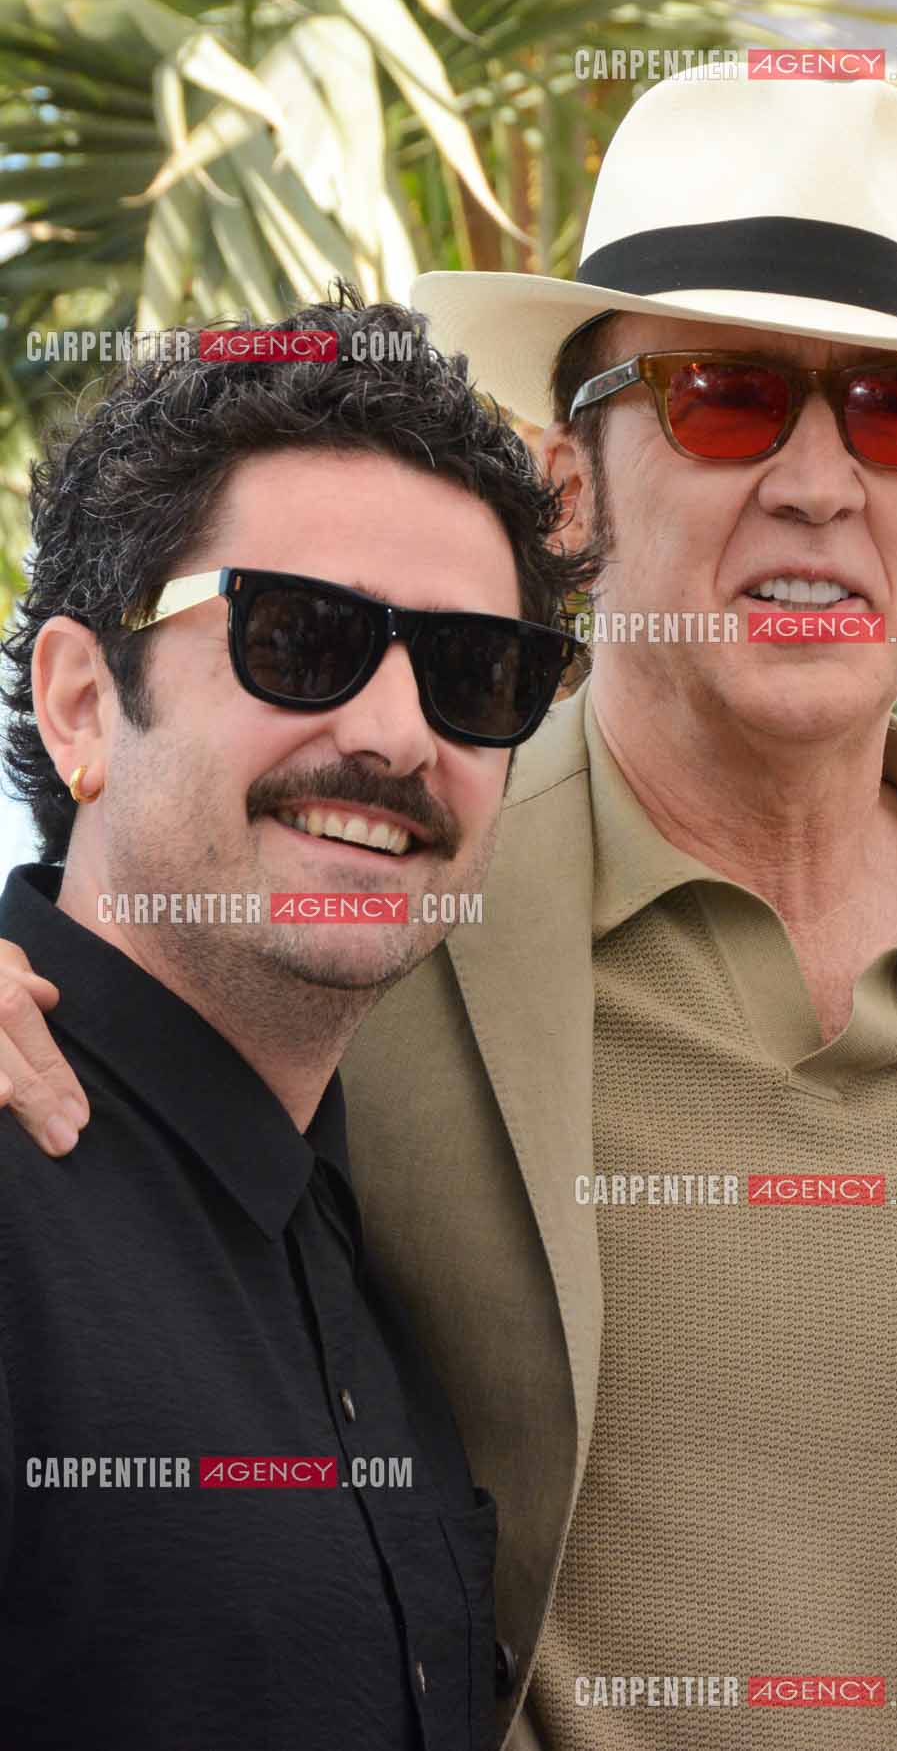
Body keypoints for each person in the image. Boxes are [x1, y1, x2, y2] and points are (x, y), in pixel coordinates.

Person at [0, 70, 897, 1748]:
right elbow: (139, 965)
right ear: (575, 493)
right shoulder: (383, 900)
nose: (822, 482)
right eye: (728, 396)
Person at [0, 289, 583, 1751]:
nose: (395, 733)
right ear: (83, 704)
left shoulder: (376, 1236)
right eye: (300, 635)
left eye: (473, 672)